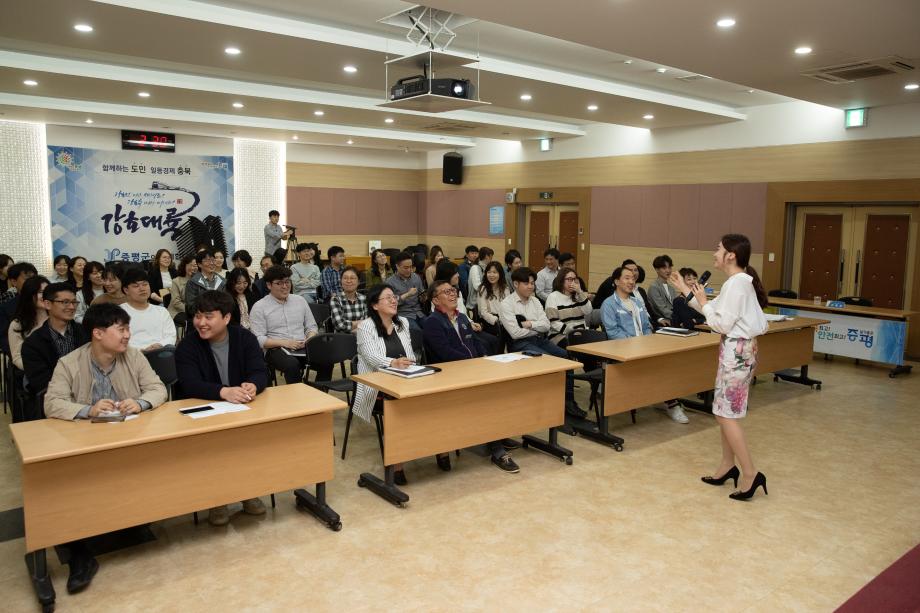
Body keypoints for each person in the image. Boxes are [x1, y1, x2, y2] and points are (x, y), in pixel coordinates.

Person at [43, 302, 168, 594]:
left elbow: (157, 388)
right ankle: (79, 550)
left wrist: (140, 403)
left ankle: (129, 516)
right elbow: (52, 402)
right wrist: (88, 410)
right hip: (84, 442)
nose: (127, 335)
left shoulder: (133, 356)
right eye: (121, 329)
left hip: (128, 438)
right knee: (73, 486)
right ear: (98, 333)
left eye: (127, 329)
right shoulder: (69, 363)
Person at [672, 234, 769, 500]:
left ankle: (750, 473)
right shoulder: (737, 282)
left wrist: (703, 302)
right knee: (725, 412)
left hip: (736, 352)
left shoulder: (736, 284)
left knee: (726, 415)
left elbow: (719, 323)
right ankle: (728, 465)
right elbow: (714, 309)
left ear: (731, 255)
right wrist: (686, 291)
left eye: (718, 249)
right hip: (737, 351)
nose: (714, 253)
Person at [175, 290, 269, 524]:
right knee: (214, 449)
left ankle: (248, 492)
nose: (201, 323)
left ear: (226, 318)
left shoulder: (244, 338)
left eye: (208, 317)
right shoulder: (188, 345)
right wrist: (223, 392)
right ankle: (217, 500)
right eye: (198, 316)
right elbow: (189, 384)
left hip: (240, 409)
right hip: (205, 411)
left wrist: (253, 385)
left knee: (250, 445)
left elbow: (260, 371)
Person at [424, 279, 521, 473]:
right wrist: (473, 363)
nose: (453, 294)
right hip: (449, 375)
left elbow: (476, 342)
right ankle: (497, 449)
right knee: (486, 398)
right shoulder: (432, 322)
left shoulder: (461, 318)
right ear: (435, 300)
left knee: (501, 389)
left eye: (453, 290)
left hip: (471, 370)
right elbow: (445, 353)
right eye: (446, 292)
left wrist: (484, 358)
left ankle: (498, 434)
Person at [601, 266, 689, 424]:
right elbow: (613, 332)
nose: (631, 281)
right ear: (616, 281)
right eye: (627, 278)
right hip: (623, 350)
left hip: (643, 347)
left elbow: (647, 326)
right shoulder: (609, 304)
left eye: (633, 278)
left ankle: (666, 399)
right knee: (657, 367)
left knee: (668, 361)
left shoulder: (636, 302)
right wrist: (635, 344)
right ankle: (671, 403)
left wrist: (648, 343)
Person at [351, 284, 416, 485]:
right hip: (377, 384)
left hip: (404, 378)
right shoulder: (365, 327)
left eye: (394, 297)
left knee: (431, 399)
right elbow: (371, 357)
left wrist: (409, 365)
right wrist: (393, 362)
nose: (394, 300)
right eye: (388, 298)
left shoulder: (403, 323)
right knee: (396, 404)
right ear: (375, 305)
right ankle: (396, 465)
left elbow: (410, 355)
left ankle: (440, 451)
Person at [499, 267, 583, 421]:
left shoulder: (535, 300)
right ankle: (551, 404)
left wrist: (530, 324)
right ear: (516, 284)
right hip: (518, 345)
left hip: (539, 339)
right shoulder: (506, 304)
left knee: (565, 357)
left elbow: (546, 325)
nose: (531, 286)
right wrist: (536, 327)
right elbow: (515, 333)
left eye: (532, 283)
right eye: (527, 283)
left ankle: (568, 401)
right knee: (549, 360)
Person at [250, 265, 318, 385]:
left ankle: (319, 391)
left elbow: (311, 326)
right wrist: (285, 343)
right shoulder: (259, 307)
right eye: (279, 283)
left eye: (287, 282)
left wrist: (309, 338)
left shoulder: (300, 301)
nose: (285, 286)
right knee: (292, 365)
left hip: (302, 345)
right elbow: (258, 339)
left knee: (326, 360)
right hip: (275, 348)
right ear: (269, 285)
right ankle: (297, 395)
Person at [22, 282, 89, 395]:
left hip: (88, 392)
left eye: (74, 302)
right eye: (65, 302)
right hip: (54, 396)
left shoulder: (86, 333)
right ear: (48, 304)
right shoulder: (33, 343)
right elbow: (40, 382)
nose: (72, 307)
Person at [120, 267, 176, 352]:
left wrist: (159, 345)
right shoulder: (119, 313)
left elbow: (171, 336)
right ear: (126, 290)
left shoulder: (161, 311)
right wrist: (142, 350)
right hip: (132, 355)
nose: (142, 289)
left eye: (145, 284)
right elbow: (117, 339)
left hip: (160, 353)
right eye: (136, 286)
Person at [8, 275, 49, 370]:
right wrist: (39, 369)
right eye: (41, 292)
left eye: (47, 291)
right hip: (33, 372)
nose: (45, 295)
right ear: (29, 294)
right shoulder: (17, 324)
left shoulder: (58, 318)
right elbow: (17, 357)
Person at [545, 267, 593, 345]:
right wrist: (572, 331)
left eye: (574, 279)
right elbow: (554, 323)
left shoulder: (578, 296)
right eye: (569, 279)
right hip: (560, 335)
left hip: (580, 334)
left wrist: (580, 292)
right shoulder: (553, 297)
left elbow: (588, 311)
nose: (573, 282)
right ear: (561, 280)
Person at [0, 262, 38, 354]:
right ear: (14, 282)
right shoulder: (5, 308)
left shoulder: (45, 302)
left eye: (34, 278)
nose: (32, 282)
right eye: (27, 279)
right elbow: (4, 339)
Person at [385, 251, 427, 330]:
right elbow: (390, 304)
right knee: (416, 331)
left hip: (419, 312)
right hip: (403, 315)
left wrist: (423, 298)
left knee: (433, 327)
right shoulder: (390, 282)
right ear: (397, 266)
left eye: (411, 267)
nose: (409, 270)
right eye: (406, 268)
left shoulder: (416, 277)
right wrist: (408, 294)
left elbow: (421, 296)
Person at [185, 249, 225, 317]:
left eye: (213, 260)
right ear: (199, 264)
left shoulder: (223, 282)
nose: (211, 263)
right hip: (201, 318)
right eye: (208, 260)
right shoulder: (192, 283)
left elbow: (226, 303)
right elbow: (192, 307)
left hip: (219, 317)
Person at [476, 261, 510, 341]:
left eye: (494, 272)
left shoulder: (505, 288)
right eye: (489, 272)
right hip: (489, 320)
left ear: (500, 274)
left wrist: (504, 319)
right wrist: (496, 320)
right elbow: (483, 312)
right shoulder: (483, 289)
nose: (491, 275)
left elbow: (508, 308)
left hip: (503, 319)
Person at [330, 266, 367, 333]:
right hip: (342, 338)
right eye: (345, 278)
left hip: (363, 336)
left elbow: (369, 323)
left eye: (352, 278)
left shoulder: (364, 299)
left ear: (358, 282)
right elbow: (340, 325)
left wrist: (354, 328)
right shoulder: (335, 299)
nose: (349, 281)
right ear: (341, 281)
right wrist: (361, 323)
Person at [648, 254, 675, 326]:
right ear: (657, 269)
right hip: (662, 323)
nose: (668, 270)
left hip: (673, 320)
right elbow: (662, 309)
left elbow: (675, 307)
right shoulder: (654, 287)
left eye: (669, 267)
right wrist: (679, 317)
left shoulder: (671, 288)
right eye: (664, 268)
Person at [170, 255, 197, 324]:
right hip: (178, 311)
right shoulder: (176, 281)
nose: (192, 268)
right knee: (194, 322)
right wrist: (191, 310)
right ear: (184, 266)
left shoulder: (199, 281)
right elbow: (176, 303)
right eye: (190, 265)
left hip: (196, 310)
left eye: (195, 265)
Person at [466, 246, 493, 312]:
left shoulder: (486, 267)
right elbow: (477, 287)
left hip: (484, 300)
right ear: (486, 256)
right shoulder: (475, 268)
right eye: (491, 257)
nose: (491, 259)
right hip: (475, 303)